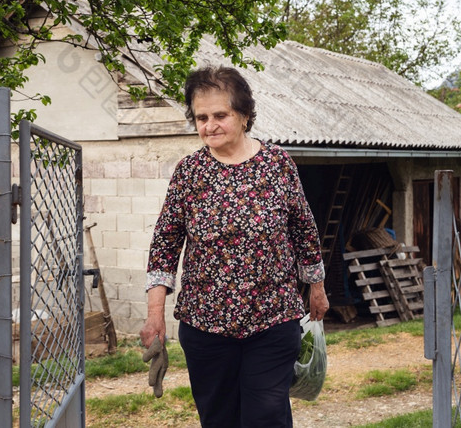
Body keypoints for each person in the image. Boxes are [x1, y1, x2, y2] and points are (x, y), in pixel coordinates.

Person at [139, 65, 329, 428]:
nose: (210, 125)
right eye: (201, 117)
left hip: (272, 318)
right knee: (219, 417)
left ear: (244, 116)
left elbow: (304, 229)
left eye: (220, 115)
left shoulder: (277, 164)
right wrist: (154, 313)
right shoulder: (189, 172)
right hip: (205, 323)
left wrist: (316, 287)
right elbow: (164, 243)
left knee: (267, 415)